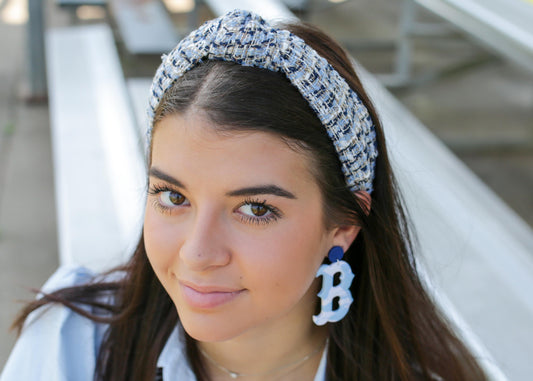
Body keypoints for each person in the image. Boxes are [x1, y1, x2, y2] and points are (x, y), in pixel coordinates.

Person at [1, 10, 487, 381]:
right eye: (172, 196)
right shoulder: (71, 350)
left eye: (256, 209)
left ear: (341, 227)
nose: (197, 252)